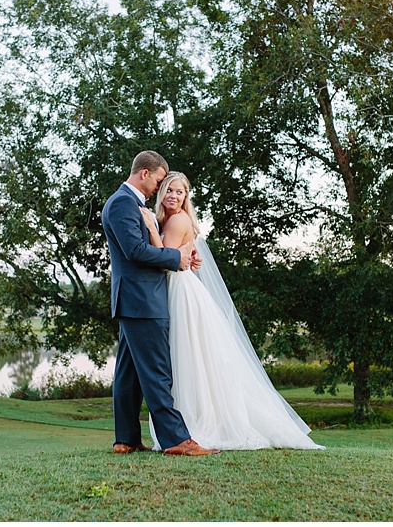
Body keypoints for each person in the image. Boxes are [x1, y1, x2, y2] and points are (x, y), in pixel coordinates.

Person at [139, 171, 324, 451]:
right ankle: (184, 424)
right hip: (176, 289)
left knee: (187, 356)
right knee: (189, 358)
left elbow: (166, 260)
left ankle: (192, 425)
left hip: (181, 293)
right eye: (168, 190)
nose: (173, 196)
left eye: (179, 192)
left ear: (186, 197)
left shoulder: (176, 220)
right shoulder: (168, 219)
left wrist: (152, 231)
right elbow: (179, 255)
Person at [101, 151, 220, 457]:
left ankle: (125, 439)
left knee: (128, 374)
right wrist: (175, 257)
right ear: (144, 173)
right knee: (157, 372)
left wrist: (183, 253)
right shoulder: (123, 204)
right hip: (142, 299)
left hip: (136, 299)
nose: (159, 186)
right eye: (157, 179)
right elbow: (135, 251)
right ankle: (177, 440)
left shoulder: (130, 204)